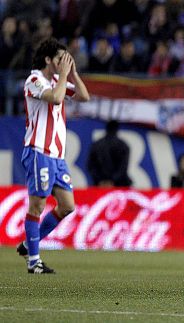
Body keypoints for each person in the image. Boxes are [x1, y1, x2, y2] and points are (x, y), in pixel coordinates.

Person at [16, 38, 90, 274]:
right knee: (37, 205)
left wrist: (73, 74)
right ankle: (33, 262)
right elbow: (57, 98)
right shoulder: (34, 80)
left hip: (56, 157)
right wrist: (65, 75)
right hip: (39, 152)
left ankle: (29, 243)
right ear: (48, 60)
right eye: (60, 59)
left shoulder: (59, 80)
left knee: (67, 206)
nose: (63, 63)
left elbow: (83, 97)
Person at [87, 120, 132, 187]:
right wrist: (112, 180)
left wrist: (101, 180)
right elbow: (123, 167)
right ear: (117, 129)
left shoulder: (96, 145)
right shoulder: (123, 145)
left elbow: (90, 166)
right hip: (119, 185)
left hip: (99, 185)